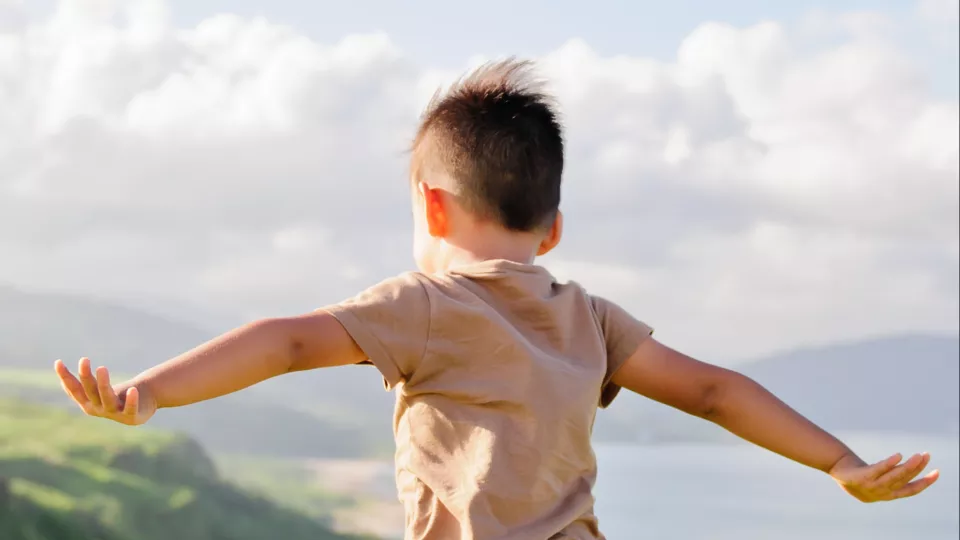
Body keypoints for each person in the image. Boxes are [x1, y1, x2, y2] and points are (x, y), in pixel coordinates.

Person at [54, 59, 939, 540]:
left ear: (431, 207)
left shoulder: (426, 304)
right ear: (552, 228)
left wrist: (152, 391)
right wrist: (839, 464)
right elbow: (715, 390)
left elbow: (285, 343)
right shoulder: (591, 317)